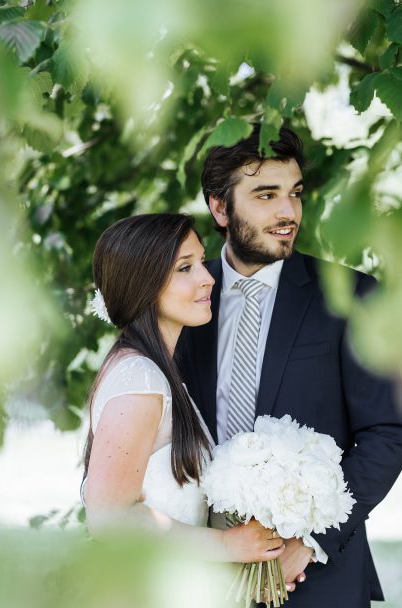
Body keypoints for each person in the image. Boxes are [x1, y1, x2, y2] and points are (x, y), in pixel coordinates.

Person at [177, 124, 402, 607]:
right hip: (197, 574)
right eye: (266, 195)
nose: (288, 212)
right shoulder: (183, 298)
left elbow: (388, 432)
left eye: (295, 193)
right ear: (220, 207)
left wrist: (309, 543)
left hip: (316, 579)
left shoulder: (352, 296)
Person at [81, 213, 291, 575]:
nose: (208, 278)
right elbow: (109, 518)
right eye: (184, 268)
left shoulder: (158, 374)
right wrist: (229, 545)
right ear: (142, 282)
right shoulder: (140, 380)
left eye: (201, 262)